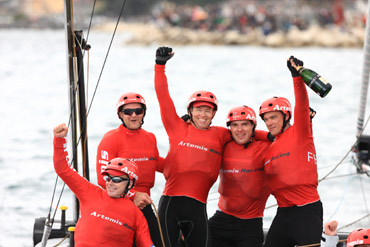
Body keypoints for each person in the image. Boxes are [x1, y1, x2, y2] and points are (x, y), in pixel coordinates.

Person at [154, 46, 233, 247]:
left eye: (208, 111)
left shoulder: (221, 134)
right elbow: (163, 97)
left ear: (214, 114)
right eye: (199, 110)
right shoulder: (177, 127)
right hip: (170, 205)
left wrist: (269, 135)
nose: (203, 115)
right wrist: (160, 66)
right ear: (190, 111)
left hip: (198, 208)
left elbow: (245, 132)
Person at [53, 123, 154, 247]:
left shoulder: (136, 215)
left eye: (117, 179)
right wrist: (59, 140)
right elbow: (63, 169)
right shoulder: (89, 192)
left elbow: (147, 244)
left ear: (130, 184)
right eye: (108, 178)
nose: (110, 183)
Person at [259, 56, 323, 247]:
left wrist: (296, 76)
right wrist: (265, 136)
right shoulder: (270, 148)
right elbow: (245, 133)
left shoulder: (300, 132)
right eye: (266, 119)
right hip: (283, 213)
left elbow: (302, 104)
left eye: (273, 117)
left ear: (286, 116)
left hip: (307, 211)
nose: (269, 122)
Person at [96, 92, 163, 247]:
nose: (133, 115)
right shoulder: (111, 139)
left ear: (143, 113)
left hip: (144, 206)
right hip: (119, 207)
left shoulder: (150, 137)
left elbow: (157, 163)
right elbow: (102, 179)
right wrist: (133, 195)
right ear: (120, 114)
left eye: (138, 111)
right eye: (128, 112)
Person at [208, 105, 271, 247]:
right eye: (235, 125)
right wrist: (187, 122)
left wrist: (266, 135)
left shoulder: (266, 146)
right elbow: (200, 134)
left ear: (253, 126)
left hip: (250, 224)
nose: (240, 129)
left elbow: (289, 139)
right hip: (221, 219)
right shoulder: (223, 144)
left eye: (245, 125)